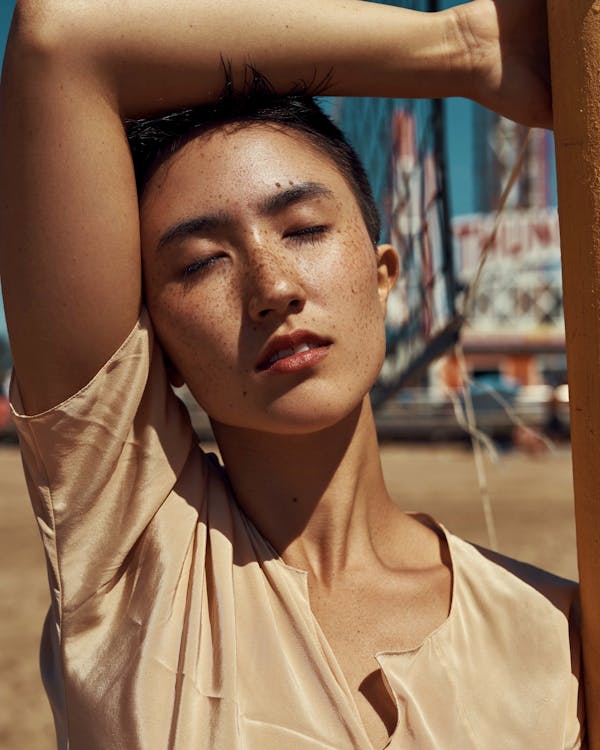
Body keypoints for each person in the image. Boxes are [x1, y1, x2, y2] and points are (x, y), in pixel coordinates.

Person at [0, 1, 583, 748]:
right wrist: (461, 47)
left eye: (305, 229)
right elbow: (62, 39)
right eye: (201, 263)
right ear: (160, 351)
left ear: (383, 275)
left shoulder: (557, 633)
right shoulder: (127, 561)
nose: (272, 286)